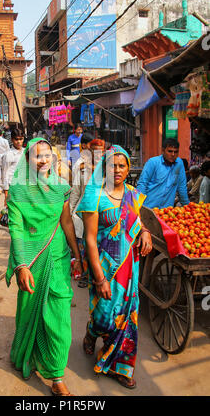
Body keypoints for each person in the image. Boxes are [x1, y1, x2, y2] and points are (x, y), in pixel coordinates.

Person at [5, 137, 82, 396]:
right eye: (37, 155)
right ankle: (27, 352)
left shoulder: (61, 187)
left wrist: (77, 254)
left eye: (47, 155)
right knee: (30, 311)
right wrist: (22, 265)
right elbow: (16, 228)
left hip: (58, 256)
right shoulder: (18, 190)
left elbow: (67, 223)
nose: (44, 159)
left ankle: (57, 375)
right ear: (27, 160)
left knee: (59, 316)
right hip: (31, 257)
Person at [76, 145, 152, 389]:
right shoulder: (94, 195)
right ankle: (91, 333)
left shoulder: (132, 194)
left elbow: (136, 222)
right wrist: (99, 278)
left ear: (128, 168)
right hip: (104, 268)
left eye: (122, 166)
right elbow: (89, 238)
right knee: (104, 318)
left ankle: (120, 367)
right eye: (112, 165)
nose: (117, 170)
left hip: (129, 268)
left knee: (127, 318)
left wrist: (146, 232)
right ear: (104, 167)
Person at [70, 136, 105, 285]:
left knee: (100, 248)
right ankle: (85, 275)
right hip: (83, 217)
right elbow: (75, 194)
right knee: (84, 248)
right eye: (95, 153)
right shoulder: (83, 171)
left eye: (101, 153)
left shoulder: (109, 171)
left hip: (103, 217)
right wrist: (71, 215)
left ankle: (98, 275)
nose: (98, 156)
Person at [137, 138, 189, 208]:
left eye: (176, 152)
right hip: (149, 208)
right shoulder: (153, 162)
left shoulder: (179, 164)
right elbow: (142, 184)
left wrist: (188, 207)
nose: (173, 154)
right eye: (170, 151)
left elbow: (182, 187)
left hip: (166, 210)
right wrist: (139, 206)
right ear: (163, 150)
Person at [1, 128, 24, 205]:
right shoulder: (8, 154)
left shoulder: (25, 152)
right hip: (13, 187)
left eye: (21, 139)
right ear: (12, 139)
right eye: (16, 139)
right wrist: (6, 193)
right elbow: (4, 174)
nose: (19, 142)